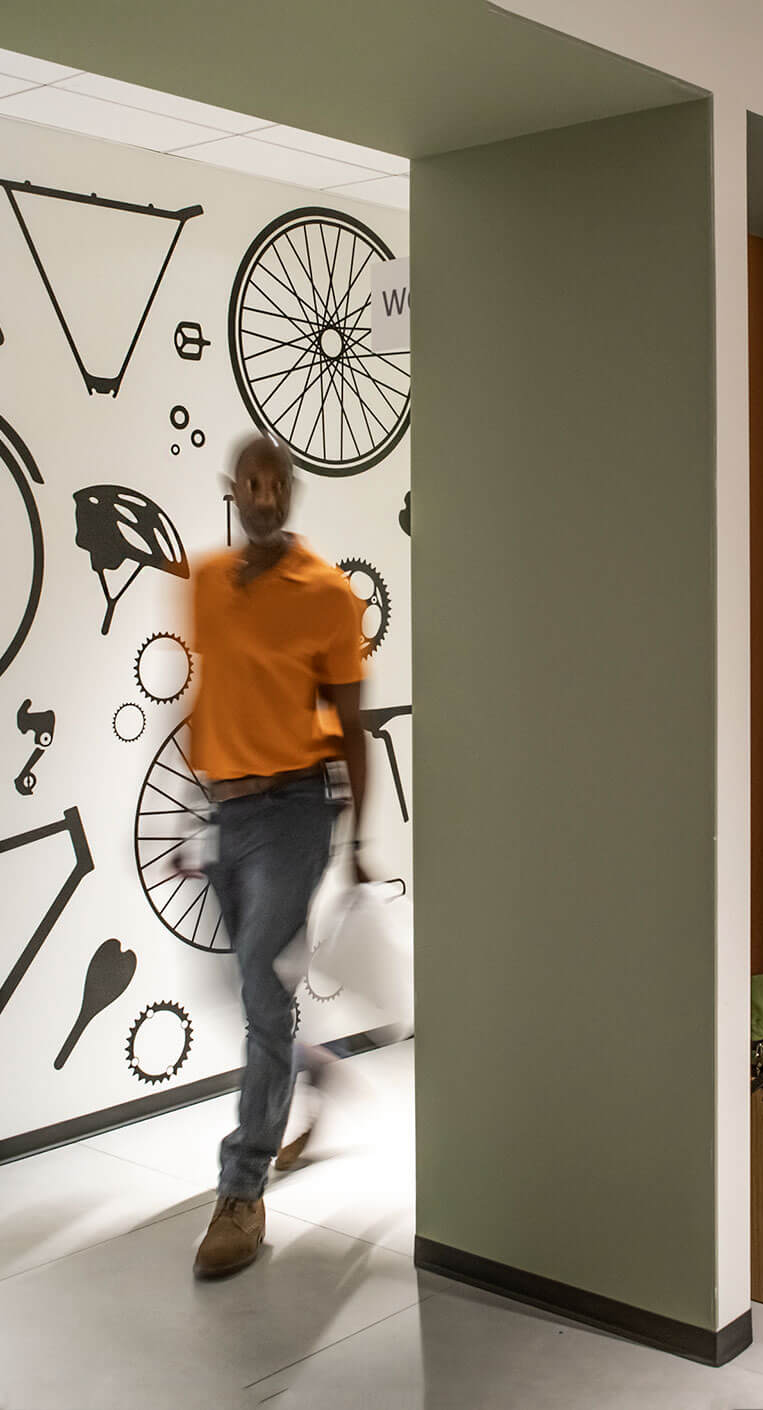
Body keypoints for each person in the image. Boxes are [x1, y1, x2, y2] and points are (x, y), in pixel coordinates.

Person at [187, 434, 368, 1279]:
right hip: (224, 811)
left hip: (296, 807)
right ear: (234, 490)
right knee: (258, 991)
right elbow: (214, 693)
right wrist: (200, 813)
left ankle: (243, 1187)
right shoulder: (204, 584)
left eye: (276, 484)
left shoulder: (328, 593)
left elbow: (352, 719)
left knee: (262, 983)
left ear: (290, 492)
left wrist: (359, 838)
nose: (263, 496)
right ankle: (316, 1069)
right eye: (250, 483)